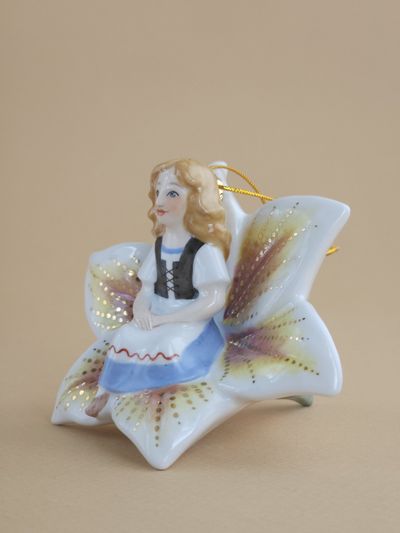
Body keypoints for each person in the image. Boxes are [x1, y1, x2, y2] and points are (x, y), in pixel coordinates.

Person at [85, 158, 231, 417]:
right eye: (158, 192)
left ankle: (158, 396)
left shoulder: (204, 250)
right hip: (158, 314)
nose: (160, 202)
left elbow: (213, 300)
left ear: (197, 201)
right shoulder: (160, 246)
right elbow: (147, 289)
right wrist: (142, 310)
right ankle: (107, 392)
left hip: (190, 322)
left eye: (172, 193)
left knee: (168, 345)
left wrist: (168, 319)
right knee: (125, 337)